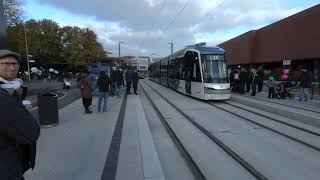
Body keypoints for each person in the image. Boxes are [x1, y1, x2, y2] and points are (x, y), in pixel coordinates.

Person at [0, 50, 40, 180]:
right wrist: (23, 110)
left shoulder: (15, 87)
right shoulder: (3, 95)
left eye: (14, 64)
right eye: (5, 64)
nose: (11, 68)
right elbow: (31, 132)